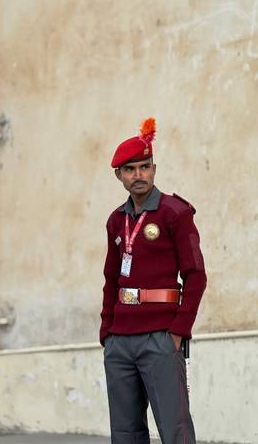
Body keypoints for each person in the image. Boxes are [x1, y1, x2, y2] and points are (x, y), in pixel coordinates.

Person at [100, 117, 206, 444]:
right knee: (126, 433)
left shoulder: (174, 212)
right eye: (130, 170)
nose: (139, 175)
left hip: (160, 338)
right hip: (120, 341)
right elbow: (110, 279)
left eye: (145, 167)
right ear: (119, 176)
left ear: (154, 169)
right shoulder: (116, 221)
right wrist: (107, 333)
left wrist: (178, 333)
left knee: (175, 431)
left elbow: (196, 276)